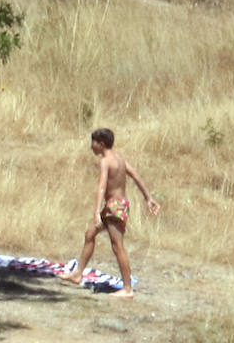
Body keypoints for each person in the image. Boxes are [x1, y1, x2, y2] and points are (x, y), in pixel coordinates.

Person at [56, 127, 161, 299]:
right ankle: (77, 274)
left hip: (114, 207)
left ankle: (127, 288)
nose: (91, 147)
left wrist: (96, 212)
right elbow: (136, 176)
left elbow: (102, 186)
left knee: (117, 246)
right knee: (90, 234)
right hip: (116, 205)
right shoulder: (119, 158)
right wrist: (148, 198)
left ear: (101, 144)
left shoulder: (105, 161)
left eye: (93, 143)